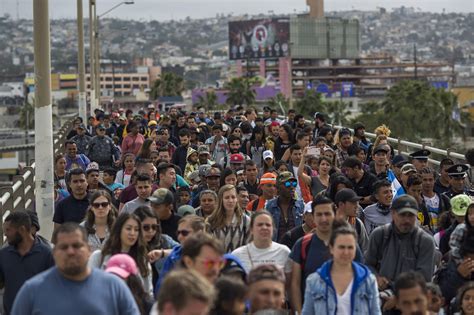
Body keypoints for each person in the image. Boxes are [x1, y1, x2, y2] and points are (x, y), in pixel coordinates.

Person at [11, 223, 139, 315]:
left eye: (77, 246)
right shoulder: (32, 291)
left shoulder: (114, 287)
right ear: (54, 252)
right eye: (64, 247)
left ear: (89, 250)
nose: (71, 252)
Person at [289, 196, 363, 313]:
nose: (324, 219)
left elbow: (360, 280)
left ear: (334, 215)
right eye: (319, 214)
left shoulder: (348, 244)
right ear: (313, 217)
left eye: (327, 214)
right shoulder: (302, 245)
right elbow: (295, 283)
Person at [365, 195, 436, 311]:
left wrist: (398, 298)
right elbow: (368, 264)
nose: (406, 220)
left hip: (411, 303)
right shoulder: (379, 235)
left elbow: (424, 277)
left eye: (411, 215)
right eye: (402, 215)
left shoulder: (425, 241)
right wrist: (376, 277)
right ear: (393, 213)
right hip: (380, 298)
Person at [301, 222, 380, 314]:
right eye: (341, 247)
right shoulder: (313, 281)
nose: (346, 252)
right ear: (331, 248)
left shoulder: (368, 281)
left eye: (350, 247)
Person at [0, 211, 55, 315]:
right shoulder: (3, 254)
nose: (5, 234)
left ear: (22, 230)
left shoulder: (47, 254)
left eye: (8, 230)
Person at [88, 213, 153, 297]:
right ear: (119, 230)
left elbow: (148, 294)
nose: (132, 233)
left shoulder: (142, 260)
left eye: (136, 230)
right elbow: (89, 287)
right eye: (128, 228)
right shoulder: (99, 256)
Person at [156, 215, 206, 292]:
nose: (179, 237)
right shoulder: (173, 257)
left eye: (184, 233)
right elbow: (161, 289)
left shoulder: (211, 256)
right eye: (178, 233)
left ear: (199, 233)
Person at [232, 211, 291, 275]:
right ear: (251, 229)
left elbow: (289, 282)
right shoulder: (237, 254)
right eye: (260, 225)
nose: (264, 228)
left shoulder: (284, 252)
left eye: (268, 225)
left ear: (273, 229)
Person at [206, 184, 251, 253]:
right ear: (221, 200)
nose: (230, 200)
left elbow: (249, 247)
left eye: (233, 197)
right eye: (227, 197)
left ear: (236, 199)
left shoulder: (246, 221)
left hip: (238, 261)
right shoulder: (211, 220)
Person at [265, 171, 305, 243]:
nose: (292, 187)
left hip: (295, 249)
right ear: (278, 187)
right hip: (276, 249)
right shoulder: (270, 206)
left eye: (294, 184)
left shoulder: (301, 206)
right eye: (287, 184)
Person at [53, 168, 90, 234]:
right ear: (69, 184)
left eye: (82, 181)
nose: (79, 185)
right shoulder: (62, 205)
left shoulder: (96, 203)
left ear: (87, 182)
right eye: (75, 181)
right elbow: (57, 233)